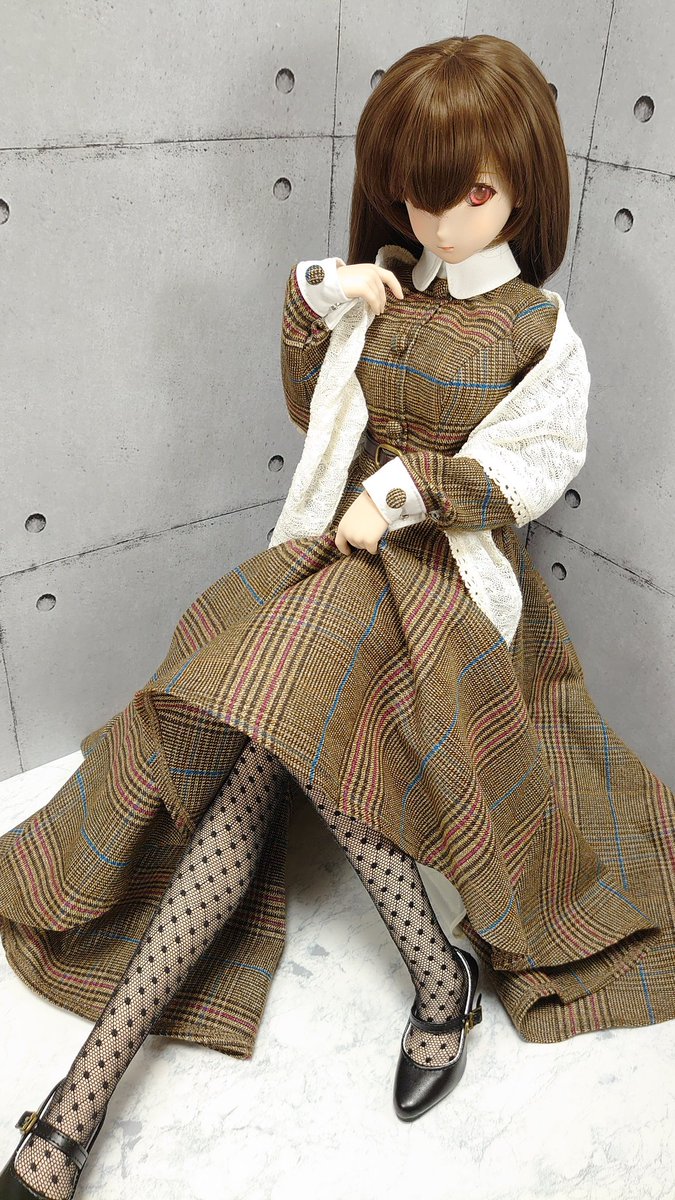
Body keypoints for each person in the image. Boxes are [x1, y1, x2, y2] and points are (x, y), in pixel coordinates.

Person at [1, 30, 674, 1200]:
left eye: (468, 193)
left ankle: (81, 1109)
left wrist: (404, 491)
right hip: (334, 569)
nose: (438, 217)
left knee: (280, 750)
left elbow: (534, 468)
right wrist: (329, 294)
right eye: (417, 192)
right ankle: (90, 1096)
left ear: (521, 188)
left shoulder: (535, 329)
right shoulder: (393, 290)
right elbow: (313, 409)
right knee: (259, 760)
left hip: (439, 587)